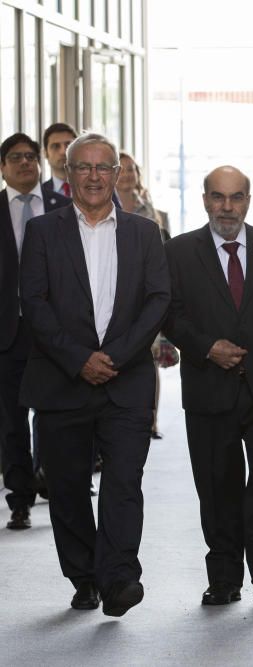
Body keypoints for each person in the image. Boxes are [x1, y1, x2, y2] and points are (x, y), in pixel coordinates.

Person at [19, 132, 169, 616]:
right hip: (63, 380)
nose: (93, 176)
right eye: (83, 167)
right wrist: (78, 358)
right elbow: (34, 304)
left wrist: (118, 357)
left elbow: (157, 300)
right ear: (68, 173)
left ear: (117, 174)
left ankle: (121, 576)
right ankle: (84, 576)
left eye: (103, 167)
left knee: (124, 480)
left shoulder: (144, 234)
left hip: (127, 382)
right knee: (67, 487)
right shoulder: (43, 233)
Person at [164, 165, 253, 607]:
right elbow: (169, 314)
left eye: (236, 197)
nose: (227, 207)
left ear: (248, 199)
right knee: (217, 485)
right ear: (205, 199)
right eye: (218, 197)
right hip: (209, 387)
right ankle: (224, 579)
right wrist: (206, 347)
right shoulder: (178, 251)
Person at [0, 132, 71, 530]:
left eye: (30, 156)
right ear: (3, 166)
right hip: (8, 332)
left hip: (55, 332)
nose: (26, 163)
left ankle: (53, 481)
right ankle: (20, 496)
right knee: (11, 419)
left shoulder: (62, 208)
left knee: (54, 413)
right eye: (16, 157)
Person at [116, 151, 177, 439]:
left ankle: (149, 420)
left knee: (149, 360)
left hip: (147, 297)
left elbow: (167, 258)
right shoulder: (104, 209)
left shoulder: (155, 214)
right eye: (122, 169)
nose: (127, 175)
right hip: (116, 297)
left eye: (132, 170)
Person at [40, 123, 77, 199]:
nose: (63, 152)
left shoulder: (94, 188)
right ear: (46, 153)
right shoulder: (39, 194)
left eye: (68, 145)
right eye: (55, 146)